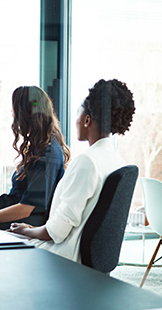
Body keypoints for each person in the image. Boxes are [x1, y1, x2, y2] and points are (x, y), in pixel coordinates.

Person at [10, 79, 135, 262]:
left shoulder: (87, 162)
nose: (76, 119)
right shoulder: (117, 161)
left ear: (87, 119)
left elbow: (56, 232)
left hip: (62, 257)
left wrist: (26, 230)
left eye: (78, 112)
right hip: (82, 259)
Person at [0, 86, 69, 231]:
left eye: (15, 110)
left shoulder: (48, 154)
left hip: (22, 227)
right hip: (14, 223)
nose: (12, 115)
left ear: (25, 115)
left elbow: (25, 208)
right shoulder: (39, 148)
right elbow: (17, 200)